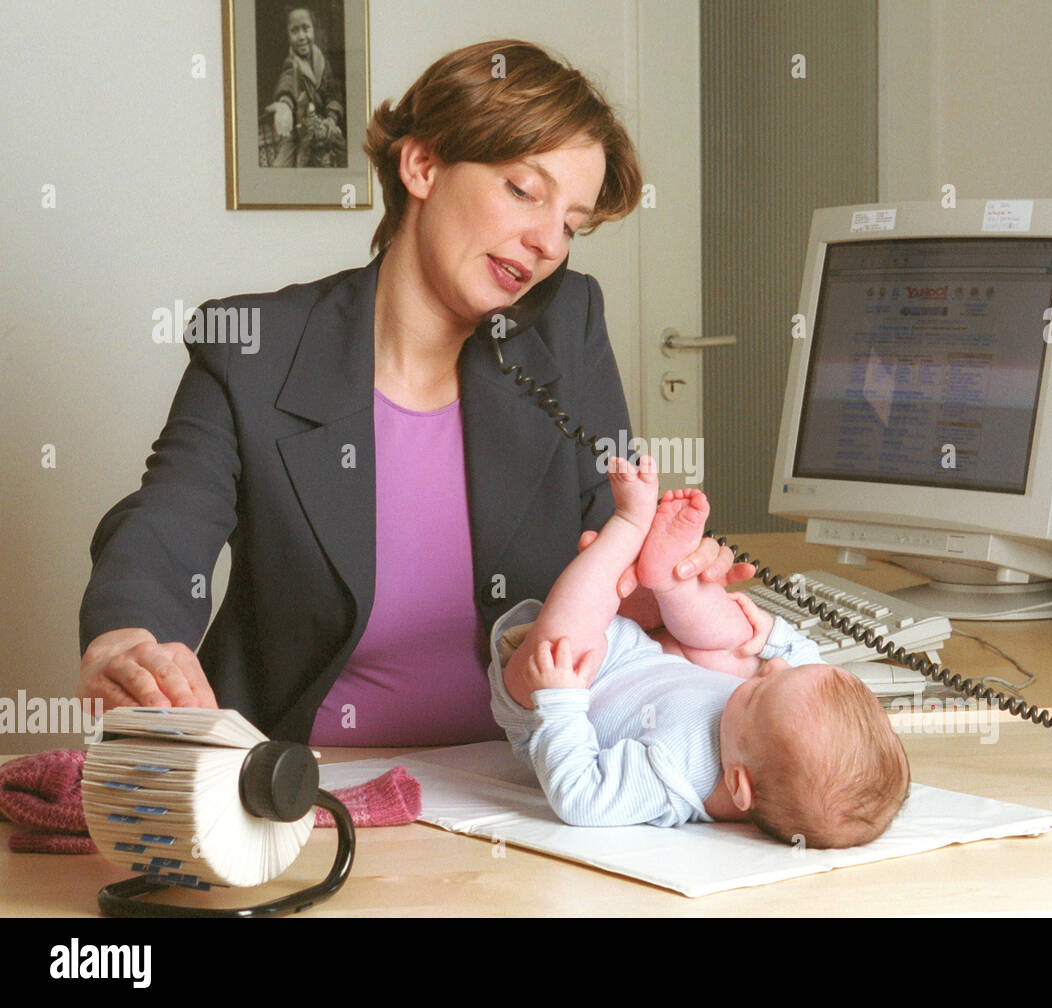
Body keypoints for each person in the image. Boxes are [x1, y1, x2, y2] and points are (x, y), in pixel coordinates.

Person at [78, 40, 754, 745]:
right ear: (423, 165)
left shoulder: (563, 328)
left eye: (572, 225)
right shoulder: (258, 346)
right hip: (316, 784)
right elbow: (163, 528)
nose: (548, 242)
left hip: (535, 779)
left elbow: (606, 559)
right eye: (525, 192)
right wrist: (126, 639)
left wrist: (668, 587)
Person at [490, 456, 911, 849]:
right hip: (646, 651)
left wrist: (561, 703)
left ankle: (628, 525)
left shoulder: (673, 773)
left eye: (758, 693)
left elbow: (580, 797)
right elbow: (798, 661)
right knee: (742, 647)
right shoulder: (772, 720)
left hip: (563, 683)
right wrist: (768, 637)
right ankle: (672, 579)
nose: (776, 669)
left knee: (565, 645)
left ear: (738, 783)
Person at [262, 6, 346, 167]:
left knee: (344, 153)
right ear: (288, 36)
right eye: (294, 31)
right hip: (299, 132)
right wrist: (284, 105)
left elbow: (334, 95)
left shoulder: (322, 61)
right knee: (282, 166)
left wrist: (331, 119)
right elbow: (287, 83)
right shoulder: (291, 64)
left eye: (305, 29)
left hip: (324, 126)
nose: (301, 36)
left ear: (314, 30)